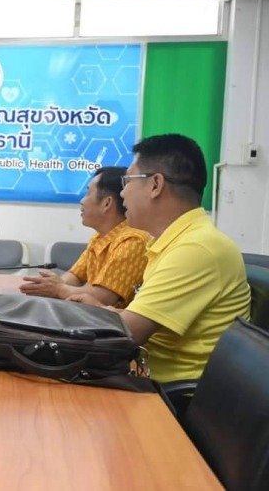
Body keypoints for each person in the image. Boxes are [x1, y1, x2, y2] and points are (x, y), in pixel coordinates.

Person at [68, 134, 251, 384]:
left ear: (155, 185)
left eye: (127, 181)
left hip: (175, 397)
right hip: (146, 376)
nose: (122, 193)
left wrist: (88, 313)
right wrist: (99, 310)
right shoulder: (171, 242)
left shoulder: (196, 248)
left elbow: (129, 333)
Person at [19, 167, 150, 308]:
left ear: (107, 203)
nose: (82, 201)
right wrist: (52, 286)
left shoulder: (133, 240)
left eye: (88, 193)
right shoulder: (100, 237)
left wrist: (58, 289)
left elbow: (103, 298)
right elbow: (75, 276)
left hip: (113, 326)